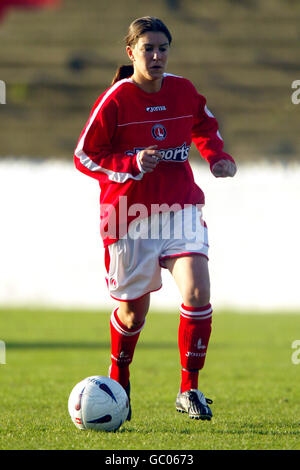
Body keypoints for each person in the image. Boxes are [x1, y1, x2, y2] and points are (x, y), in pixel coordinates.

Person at [74, 16, 236, 422]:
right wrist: (131, 162)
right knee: (133, 315)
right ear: (131, 53)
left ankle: (189, 389)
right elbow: (84, 156)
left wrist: (216, 157)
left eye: (163, 48)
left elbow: (204, 124)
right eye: (148, 48)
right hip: (129, 216)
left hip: (179, 207)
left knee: (198, 293)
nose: (157, 55)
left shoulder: (182, 90)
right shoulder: (115, 100)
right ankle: (119, 378)